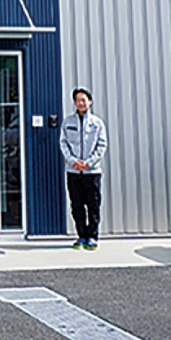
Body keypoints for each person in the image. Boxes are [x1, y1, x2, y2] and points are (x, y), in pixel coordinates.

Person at [59, 86, 107, 250]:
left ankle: (92, 236)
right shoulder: (68, 122)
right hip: (73, 171)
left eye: (83, 100)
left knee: (93, 205)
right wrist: (73, 161)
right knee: (77, 205)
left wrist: (89, 163)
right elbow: (63, 143)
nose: (81, 103)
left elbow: (101, 145)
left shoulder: (97, 123)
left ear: (90, 102)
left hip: (92, 172)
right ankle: (81, 236)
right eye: (78, 100)